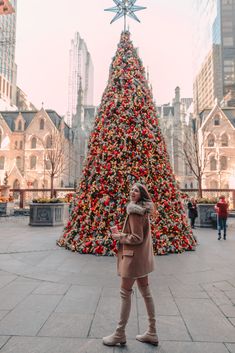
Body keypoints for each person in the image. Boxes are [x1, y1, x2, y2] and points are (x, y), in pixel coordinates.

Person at [102, 183, 158, 347]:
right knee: (146, 293)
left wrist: (119, 236)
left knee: (125, 293)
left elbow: (136, 238)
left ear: (141, 194)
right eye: (131, 189)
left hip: (132, 259)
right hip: (142, 259)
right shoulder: (144, 210)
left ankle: (119, 334)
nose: (133, 191)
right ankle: (152, 332)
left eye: (136, 190)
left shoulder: (135, 212)